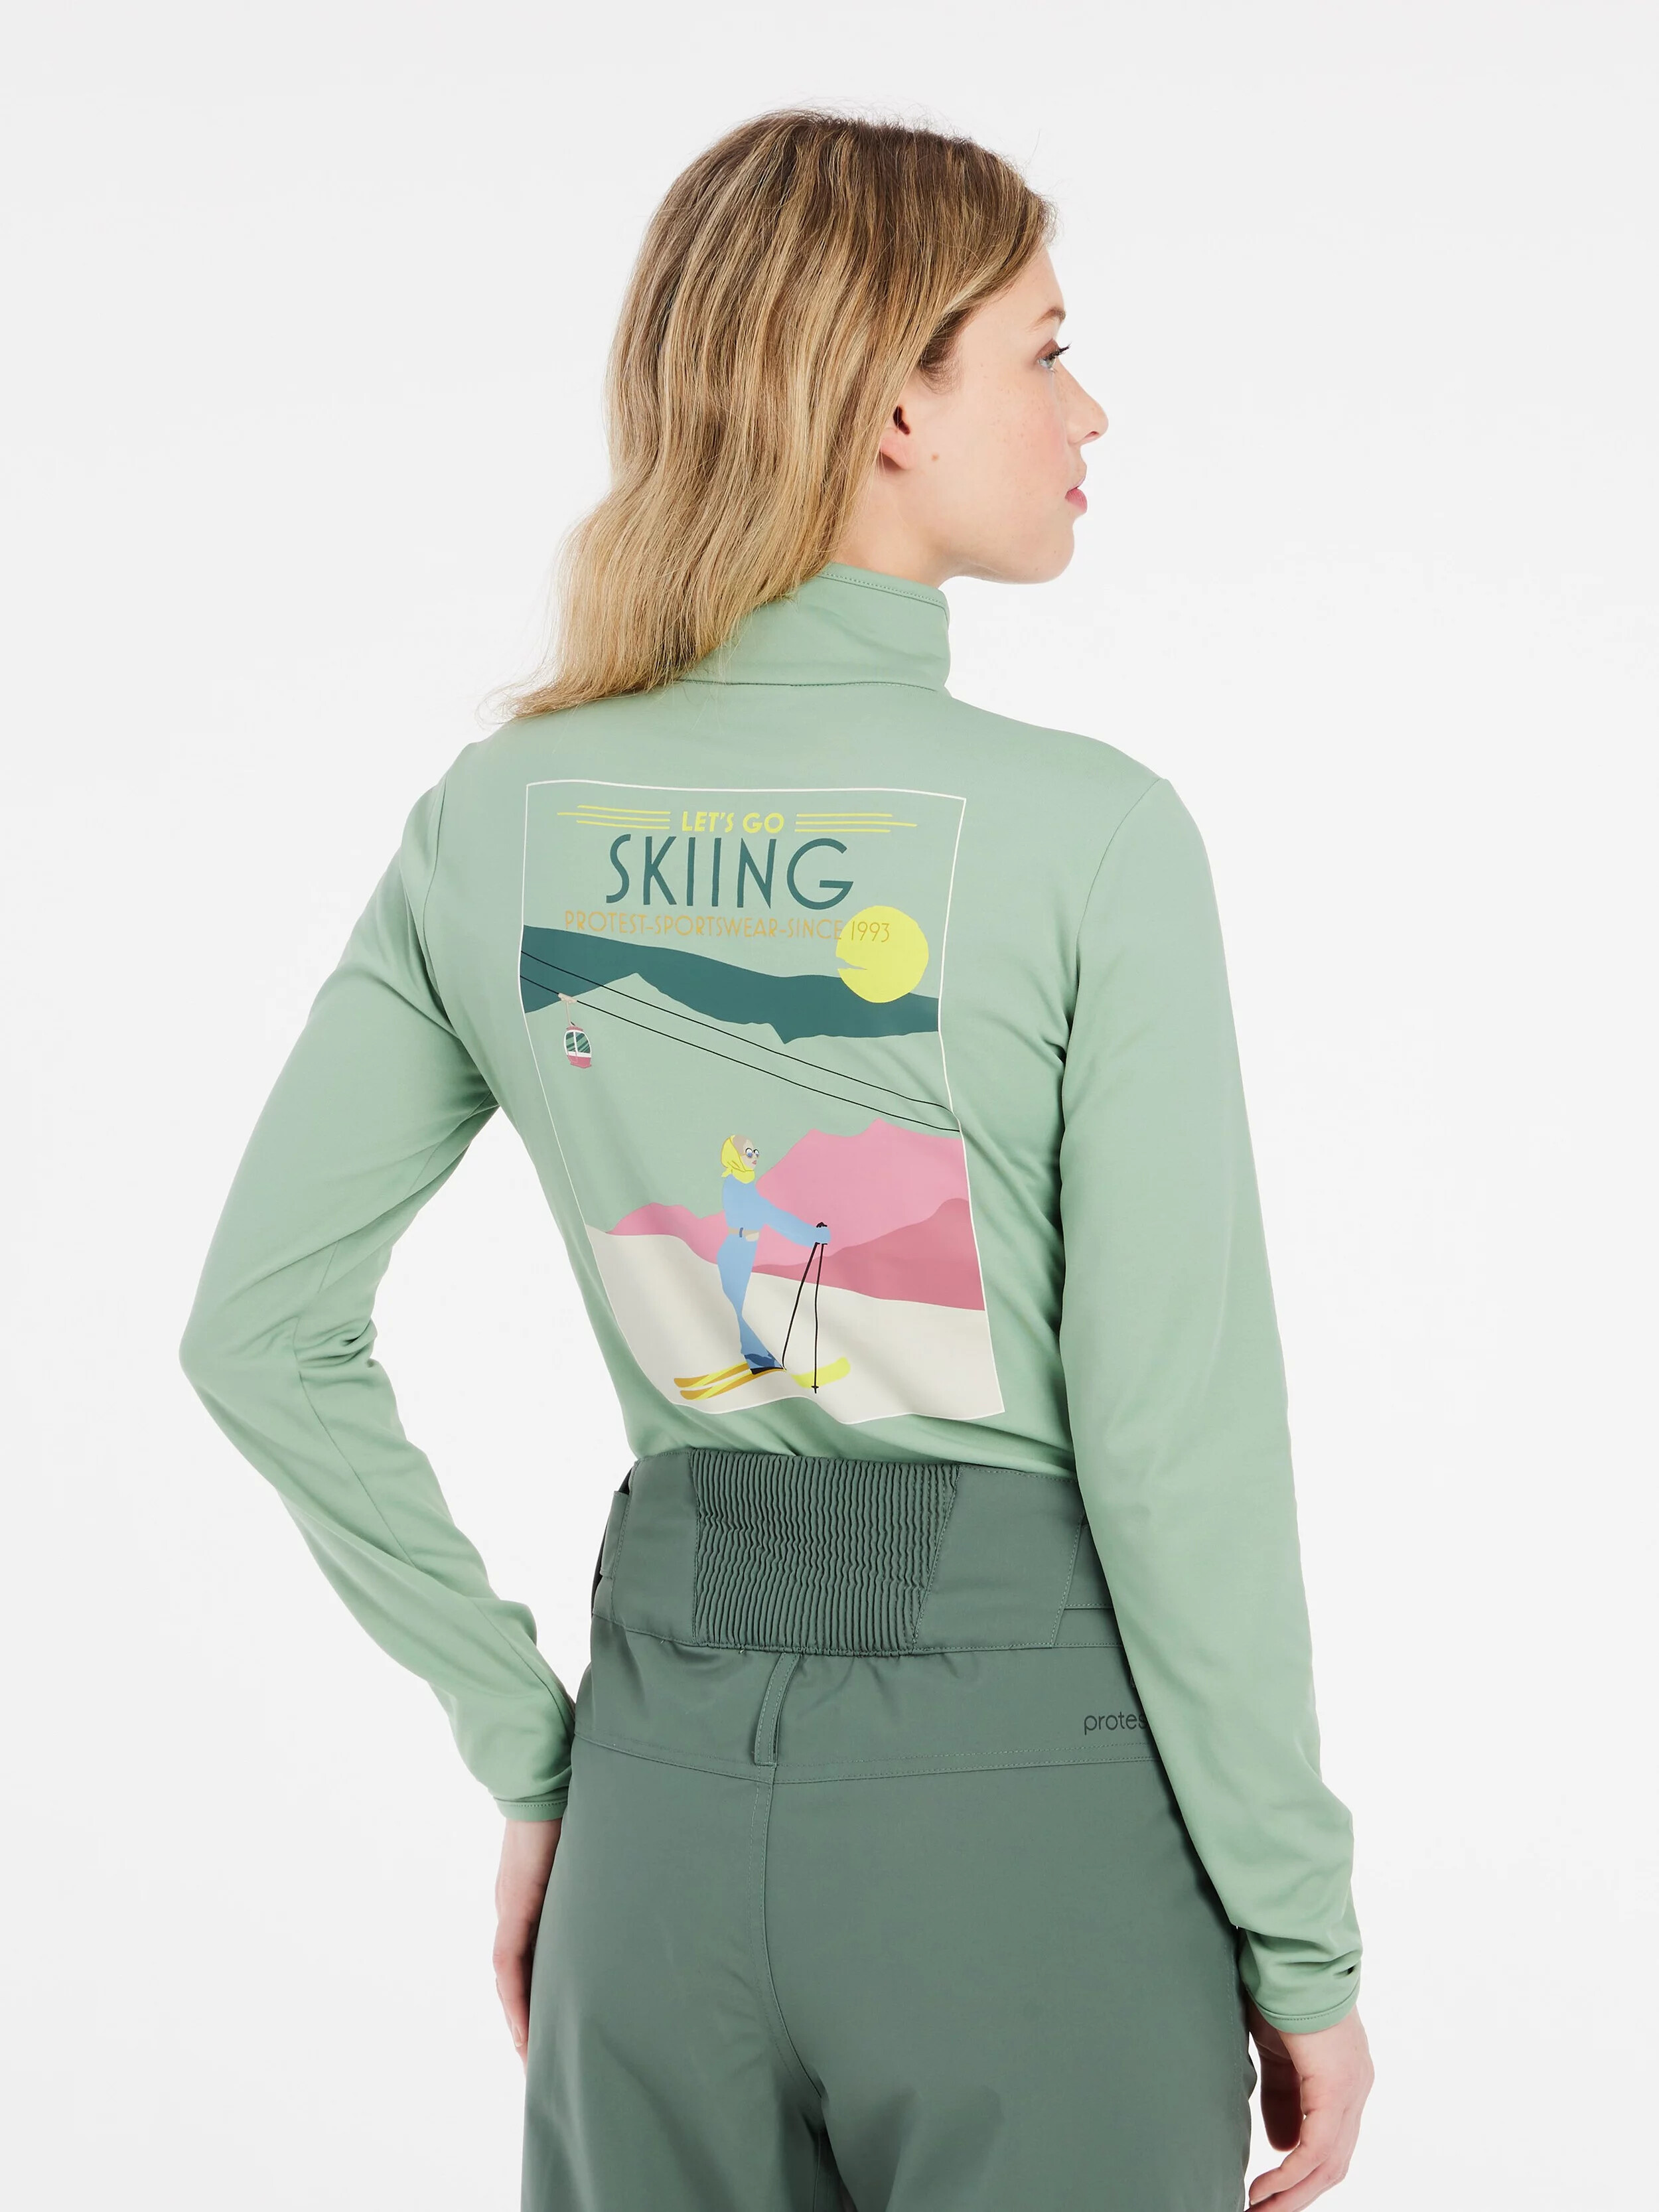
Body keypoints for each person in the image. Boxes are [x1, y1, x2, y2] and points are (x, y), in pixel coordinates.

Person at [179, 108, 1372, 2211]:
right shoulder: (1090, 836)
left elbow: (257, 1337)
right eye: (1043, 350)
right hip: (1026, 1837)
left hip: (655, 1825)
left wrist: (536, 1754)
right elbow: (1170, 1447)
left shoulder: (495, 820)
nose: (1088, 410)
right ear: (894, 402)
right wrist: (1298, 1937)